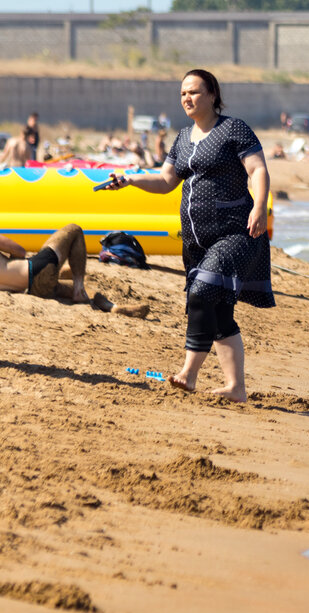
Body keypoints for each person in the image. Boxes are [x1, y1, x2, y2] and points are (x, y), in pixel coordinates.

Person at [104, 68, 273, 402]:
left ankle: (188, 373)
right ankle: (235, 387)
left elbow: (258, 169)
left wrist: (260, 207)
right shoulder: (182, 138)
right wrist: (131, 179)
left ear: (212, 94)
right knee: (219, 309)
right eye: (183, 93)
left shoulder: (233, 129)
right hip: (196, 241)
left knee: (200, 294)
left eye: (194, 92)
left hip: (235, 233)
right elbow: (166, 181)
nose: (187, 98)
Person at [0, 224, 143, 316]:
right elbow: (19, 251)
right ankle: (80, 290)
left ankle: (112, 307)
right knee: (74, 230)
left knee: (71, 287)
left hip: (32, 290)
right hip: (35, 271)